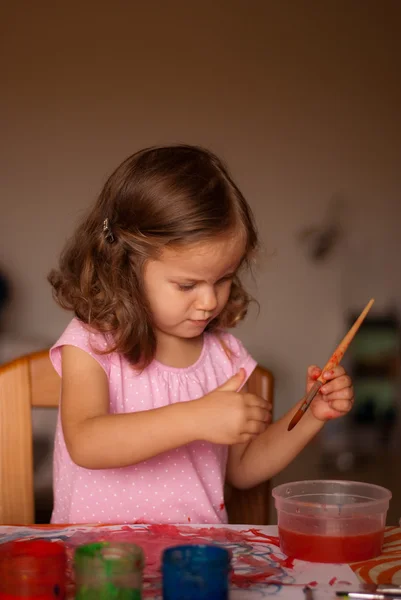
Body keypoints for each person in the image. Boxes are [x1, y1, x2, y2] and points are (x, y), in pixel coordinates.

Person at [48, 145, 354, 524]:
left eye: (223, 278)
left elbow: (242, 469)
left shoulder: (225, 355)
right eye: (187, 285)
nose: (209, 300)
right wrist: (196, 418)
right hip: (98, 563)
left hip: (195, 563)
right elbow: (87, 442)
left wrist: (312, 414)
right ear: (124, 267)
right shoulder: (93, 343)